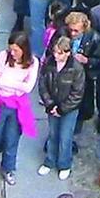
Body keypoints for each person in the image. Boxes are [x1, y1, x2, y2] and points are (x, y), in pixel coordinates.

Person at [0, 32, 40, 185]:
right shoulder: (3, 56)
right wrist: (15, 84)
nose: (12, 53)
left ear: (24, 49)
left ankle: (8, 168)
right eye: (11, 50)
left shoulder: (33, 62)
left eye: (16, 50)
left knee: (12, 138)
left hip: (17, 106)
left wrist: (6, 80)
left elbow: (28, 88)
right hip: (0, 102)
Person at [39, 36, 86, 179]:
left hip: (69, 109)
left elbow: (77, 93)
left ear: (67, 53)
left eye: (60, 53)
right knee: (53, 134)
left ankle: (64, 164)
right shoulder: (49, 63)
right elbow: (43, 85)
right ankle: (50, 161)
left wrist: (62, 108)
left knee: (65, 136)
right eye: (55, 52)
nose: (56, 55)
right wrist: (50, 104)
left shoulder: (76, 68)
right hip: (53, 104)